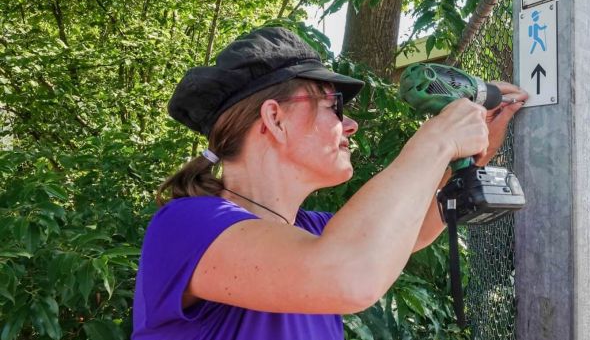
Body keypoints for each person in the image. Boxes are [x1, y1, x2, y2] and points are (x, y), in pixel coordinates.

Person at [132, 27, 528, 339]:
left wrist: (470, 149)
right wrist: (436, 138)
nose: (351, 124)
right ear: (275, 119)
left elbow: (412, 227)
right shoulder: (188, 225)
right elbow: (350, 274)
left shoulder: (313, 232)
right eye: (333, 105)